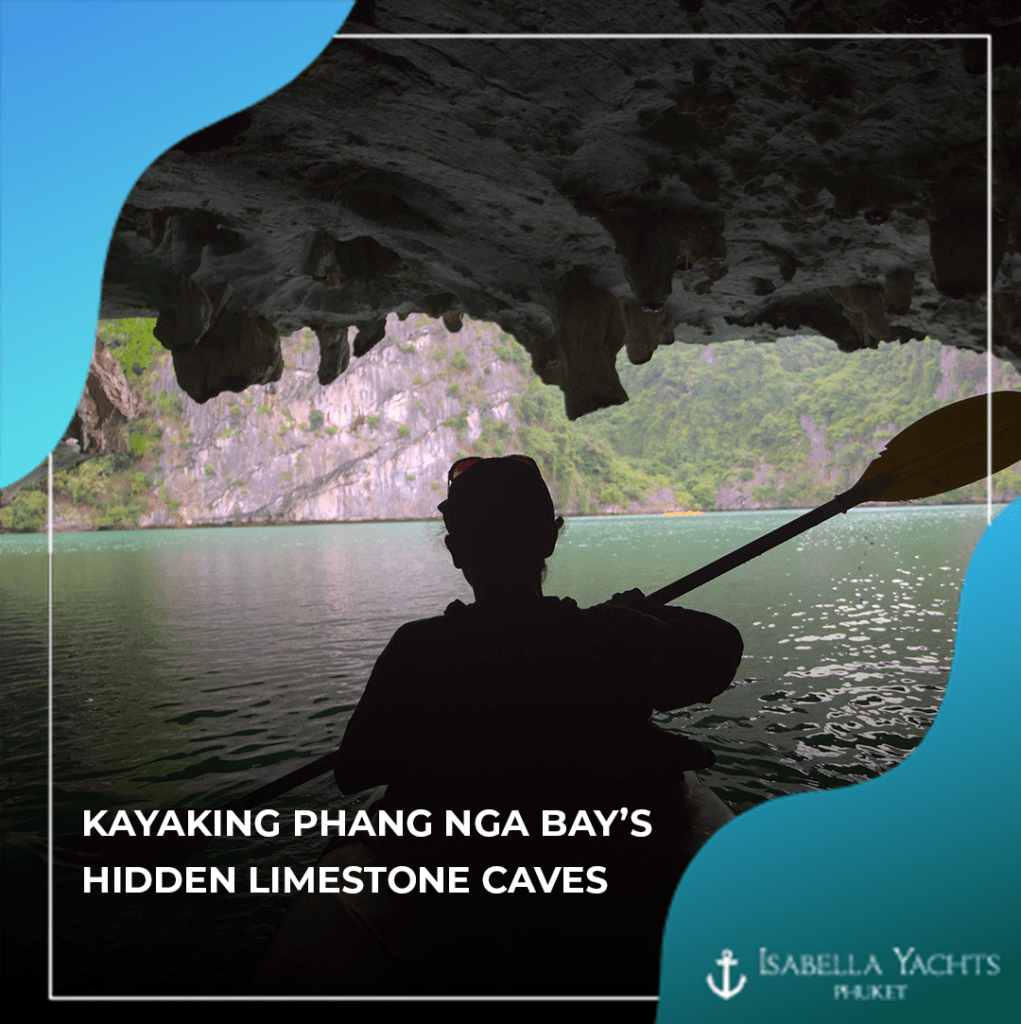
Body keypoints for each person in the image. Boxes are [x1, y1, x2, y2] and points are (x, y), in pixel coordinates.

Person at [257, 455, 743, 995]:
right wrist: (641, 615)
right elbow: (722, 651)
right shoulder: (614, 639)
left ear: (456, 550)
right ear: (550, 539)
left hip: (449, 900)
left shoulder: (417, 651)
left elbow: (355, 771)